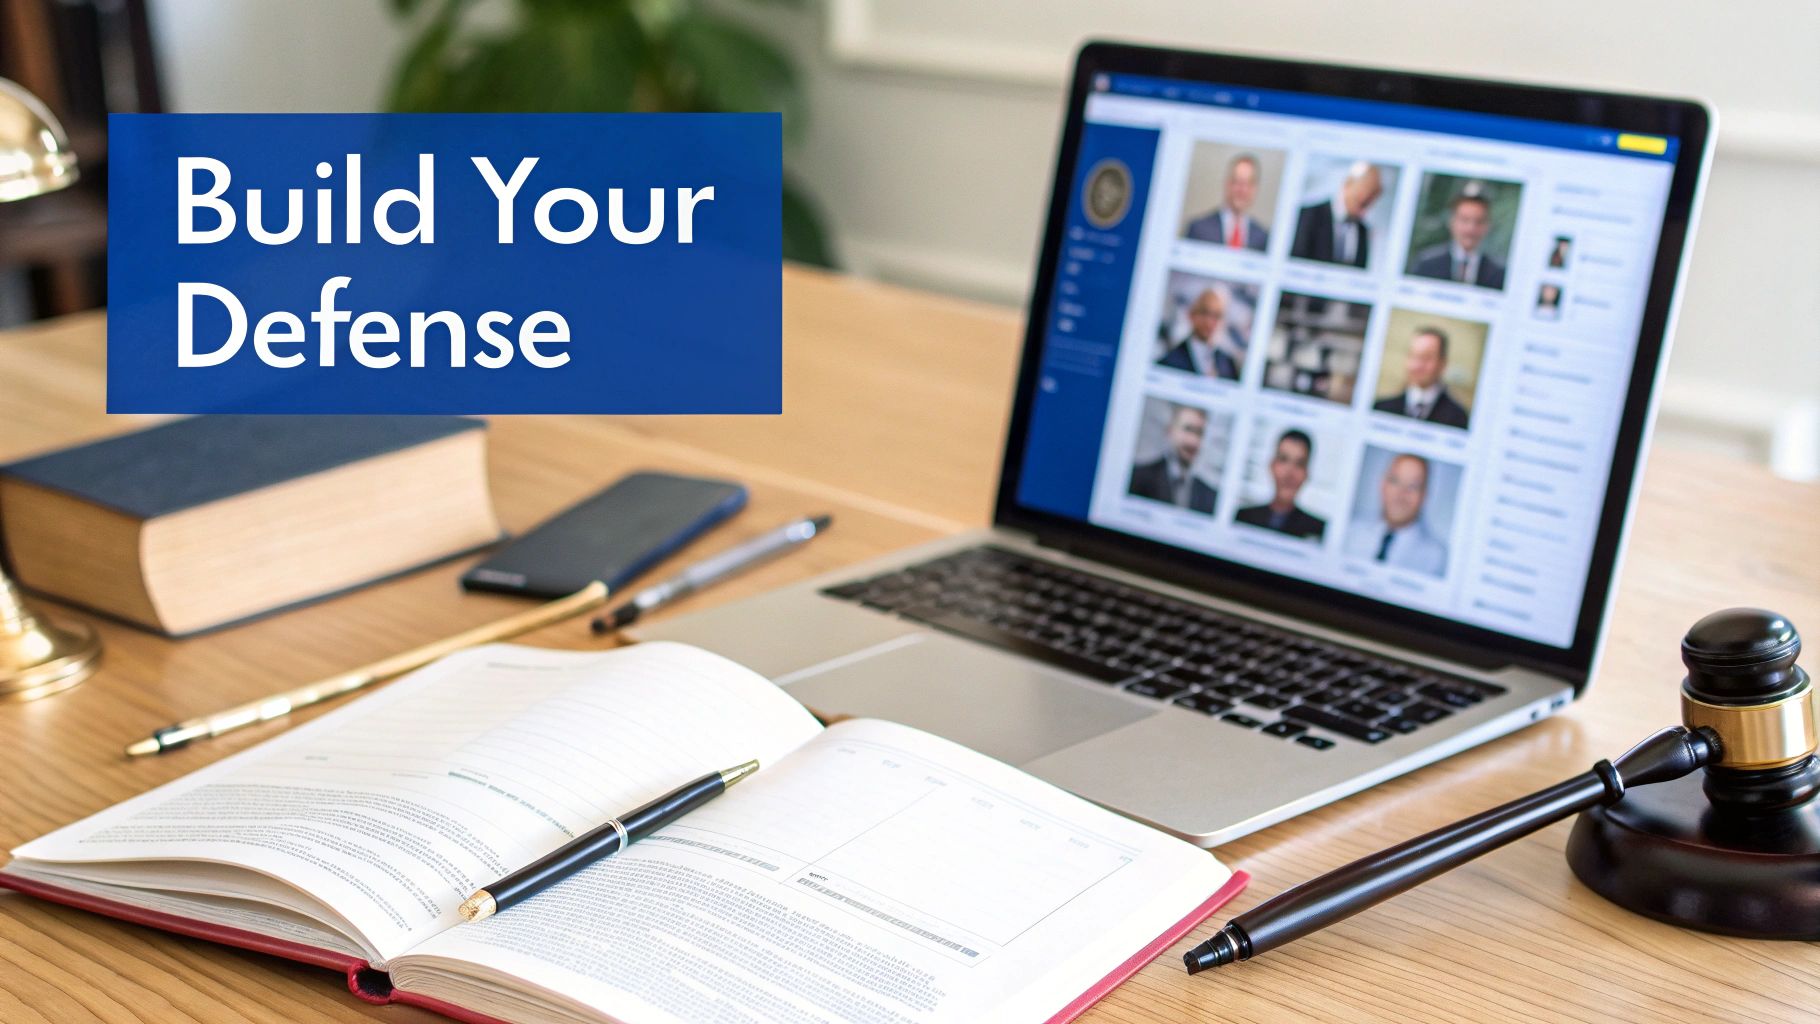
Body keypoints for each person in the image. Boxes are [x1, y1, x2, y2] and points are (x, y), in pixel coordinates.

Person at [1342, 453, 1449, 576]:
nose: (1401, 494)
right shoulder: (1351, 530)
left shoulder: (1436, 557)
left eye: (1413, 486)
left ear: (1424, 495)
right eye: (1395, 481)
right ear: (1382, 484)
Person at [1128, 404, 1220, 513]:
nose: (1193, 441)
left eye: (1200, 433)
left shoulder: (1210, 495)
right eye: (1188, 429)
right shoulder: (1137, 478)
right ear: (1170, 431)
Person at [1373, 326, 1471, 429]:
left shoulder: (1459, 419)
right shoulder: (1380, 408)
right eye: (1413, 355)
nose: (1416, 366)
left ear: (1443, 364)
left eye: (1426, 357)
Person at [1289, 161, 1383, 268]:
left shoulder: (1363, 231)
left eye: (1369, 203)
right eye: (1362, 203)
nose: (1363, 212)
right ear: (1348, 184)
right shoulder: (1308, 216)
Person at [1235, 429, 1325, 539]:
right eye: (1283, 459)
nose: (1289, 473)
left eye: (1300, 463)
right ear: (1272, 465)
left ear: (1306, 473)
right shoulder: (1242, 517)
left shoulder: (1320, 530)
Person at [1410, 187, 1506, 289]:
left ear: (1487, 226)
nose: (1471, 229)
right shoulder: (1427, 264)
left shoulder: (1499, 273)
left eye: (1479, 221)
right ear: (1452, 222)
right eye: (1465, 220)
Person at [1183, 153, 1269, 251]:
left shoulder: (1262, 237)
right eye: (1238, 182)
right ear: (1227, 184)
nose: (1242, 190)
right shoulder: (1199, 229)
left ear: (1255, 189)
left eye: (1249, 183)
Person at [1156, 288, 1245, 380]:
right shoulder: (1169, 362)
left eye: (1217, 315)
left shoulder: (1228, 363)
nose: (1210, 322)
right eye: (1205, 313)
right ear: (1191, 315)